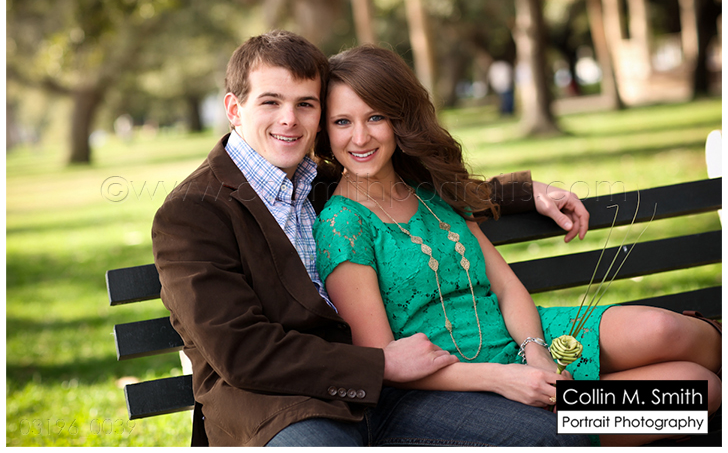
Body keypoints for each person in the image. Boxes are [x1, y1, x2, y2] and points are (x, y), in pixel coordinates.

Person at [152, 30, 593, 447]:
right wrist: (380, 363)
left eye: (305, 104)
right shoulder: (192, 213)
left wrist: (524, 192)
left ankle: (626, 413)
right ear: (234, 109)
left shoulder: (316, 181)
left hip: (389, 394)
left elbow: (408, 194)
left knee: (577, 422)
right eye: (271, 102)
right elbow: (243, 352)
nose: (289, 119)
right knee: (561, 429)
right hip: (278, 410)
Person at [312, 44, 722, 447]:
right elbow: (384, 360)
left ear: (400, 120)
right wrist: (509, 378)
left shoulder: (432, 189)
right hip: (462, 381)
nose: (360, 137)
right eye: (342, 122)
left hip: (525, 335)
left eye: (376, 117)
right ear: (324, 131)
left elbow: (507, 287)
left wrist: (536, 352)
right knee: (697, 391)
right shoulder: (342, 224)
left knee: (667, 330)